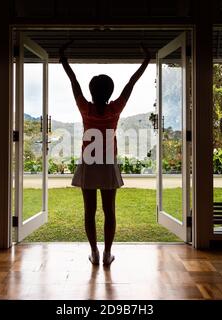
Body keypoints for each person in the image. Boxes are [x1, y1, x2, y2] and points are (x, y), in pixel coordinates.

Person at [60, 41, 151, 265]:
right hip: (108, 164)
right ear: (110, 91)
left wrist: (63, 59)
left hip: (89, 165)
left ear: (92, 91)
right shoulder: (114, 109)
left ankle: (95, 252)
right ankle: (107, 253)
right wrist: (146, 60)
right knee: (109, 211)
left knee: (89, 212)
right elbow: (131, 83)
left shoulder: (85, 108)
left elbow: (73, 81)